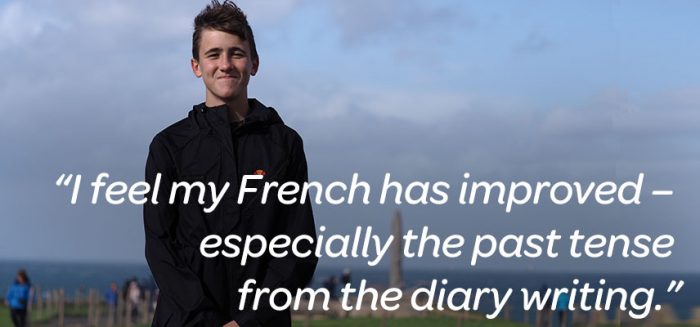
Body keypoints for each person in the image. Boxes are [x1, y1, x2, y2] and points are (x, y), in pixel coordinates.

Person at [143, 1, 317, 326]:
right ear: (196, 65)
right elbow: (160, 248)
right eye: (213, 54)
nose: (225, 64)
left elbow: (298, 246)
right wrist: (207, 320)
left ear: (254, 63)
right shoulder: (168, 147)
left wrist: (248, 321)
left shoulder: (284, 145)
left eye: (236, 53)